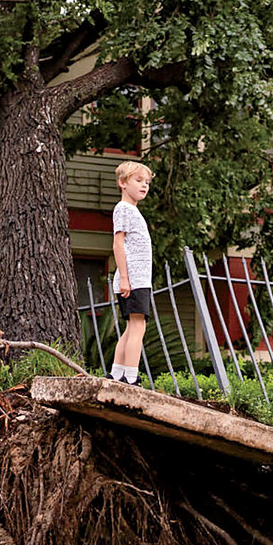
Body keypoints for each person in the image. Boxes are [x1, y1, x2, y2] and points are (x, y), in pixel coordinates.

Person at [110, 161, 154, 386]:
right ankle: (131, 376)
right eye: (138, 181)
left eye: (146, 182)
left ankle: (117, 373)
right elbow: (118, 245)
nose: (144, 185)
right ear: (122, 183)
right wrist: (126, 278)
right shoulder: (125, 209)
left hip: (137, 278)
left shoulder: (131, 210)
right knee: (138, 326)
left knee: (131, 327)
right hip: (134, 278)